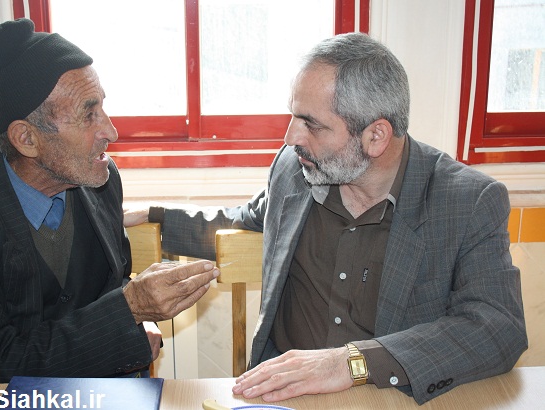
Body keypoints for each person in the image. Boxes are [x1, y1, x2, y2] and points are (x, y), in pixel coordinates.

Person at [129, 32, 528, 404]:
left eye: (312, 125)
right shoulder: (295, 169)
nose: (290, 138)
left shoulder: (466, 201)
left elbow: (498, 326)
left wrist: (353, 362)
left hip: (388, 398)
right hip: (281, 398)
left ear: (376, 136)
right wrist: (155, 216)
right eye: (294, 116)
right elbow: (245, 220)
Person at [0, 18, 219, 407]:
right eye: (88, 114)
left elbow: (111, 282)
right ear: (26, 138)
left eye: (103, 107)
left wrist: (139, 316)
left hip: (85, 390)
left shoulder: (100, 181)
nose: (111, 131)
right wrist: (130, 308)